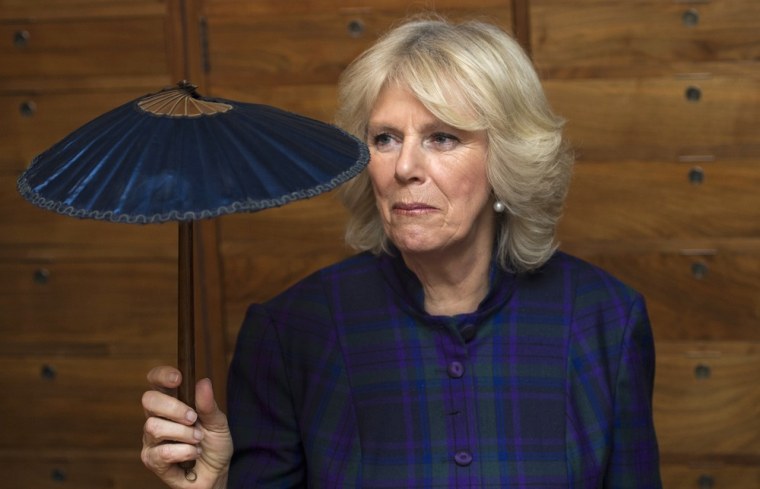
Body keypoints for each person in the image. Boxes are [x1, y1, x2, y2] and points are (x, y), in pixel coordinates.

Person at [141, 16, 662, 488]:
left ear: (507, 159)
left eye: (442, 138)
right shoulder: (292, 332)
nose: (405, 167)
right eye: (385, 138)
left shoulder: (606, 322)